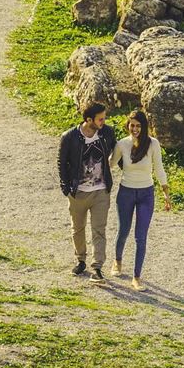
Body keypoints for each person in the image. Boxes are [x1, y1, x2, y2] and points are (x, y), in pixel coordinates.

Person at [110, 110, 170, 291]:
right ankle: (117, 261)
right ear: (128, 125)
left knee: (141, 237)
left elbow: (159, 169)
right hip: (126, 192)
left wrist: (166, 193)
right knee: (123, 230)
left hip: (146, 194)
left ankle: (137, 277)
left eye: (138, 125)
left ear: (144, 127)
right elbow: (111, 164)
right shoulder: (122, 144)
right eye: (132, 125)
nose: (134, 128)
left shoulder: (153, 144)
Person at [58, 102, 117, 284]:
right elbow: (62, 163)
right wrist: (66, 188)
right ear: (89, 120)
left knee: (99, 230)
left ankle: (97, 267)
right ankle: (80, 260)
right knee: (78, 229)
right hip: (78, 192)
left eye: (104, 118)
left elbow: (119, 153)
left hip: (100, 191)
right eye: (100, 119)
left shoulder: (107, 133)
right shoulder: (69, 137)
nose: (103, 122)